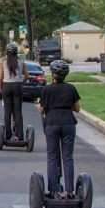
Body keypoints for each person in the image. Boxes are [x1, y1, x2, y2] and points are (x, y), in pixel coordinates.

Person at [38, 60, 80, 198]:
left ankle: (53, 190)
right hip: (68, 123)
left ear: (52, 74)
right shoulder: (71, 88)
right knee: (67, 157)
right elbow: (77, 109)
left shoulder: (47, 89)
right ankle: (70, 191)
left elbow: (41, 110)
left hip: (52, 123)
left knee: (52, 156)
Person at [0, 42, 29, 141]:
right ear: (16, 53)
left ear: (7, 52)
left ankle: (8, 135)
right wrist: (21, 82)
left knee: (7, 112)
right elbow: (27, 76)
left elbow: (0, 78)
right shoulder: (21, 62)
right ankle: (20, 135)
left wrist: (1, 87)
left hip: (6, 86)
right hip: (17, 86)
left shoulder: (3, 63)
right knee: (18, 111)